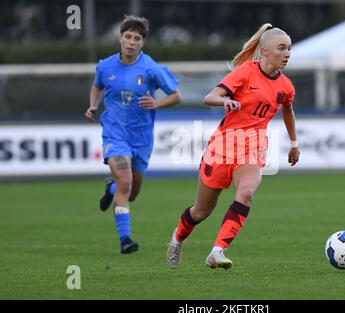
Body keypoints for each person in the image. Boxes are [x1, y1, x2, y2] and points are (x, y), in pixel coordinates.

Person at [166, 23, 299, 269]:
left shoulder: (286, 86)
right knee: (201, 212)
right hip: (223, 146)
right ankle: (177, 238)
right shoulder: (246, 72)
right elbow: (210, 97)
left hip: (253, 146)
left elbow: (288, 111)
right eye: (282, 48)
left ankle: (217, 251)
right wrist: (224, 102)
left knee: (246, 193)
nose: (287, 53)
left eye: (289, 48)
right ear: (265, 51)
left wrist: (293, 143)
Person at [85, 15, 181, 254]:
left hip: (142, 139)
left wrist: (157, 103)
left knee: (131, 192)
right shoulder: (106, 66)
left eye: (136, 38)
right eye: (127, 36)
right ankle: (125, 239)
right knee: (125, 183)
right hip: (115, 134)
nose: (131, 42)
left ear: (142, 43)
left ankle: (111, 189)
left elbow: (176, 96)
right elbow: (97, 85)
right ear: (120, 38)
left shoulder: (151, 68)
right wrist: (94, 106)